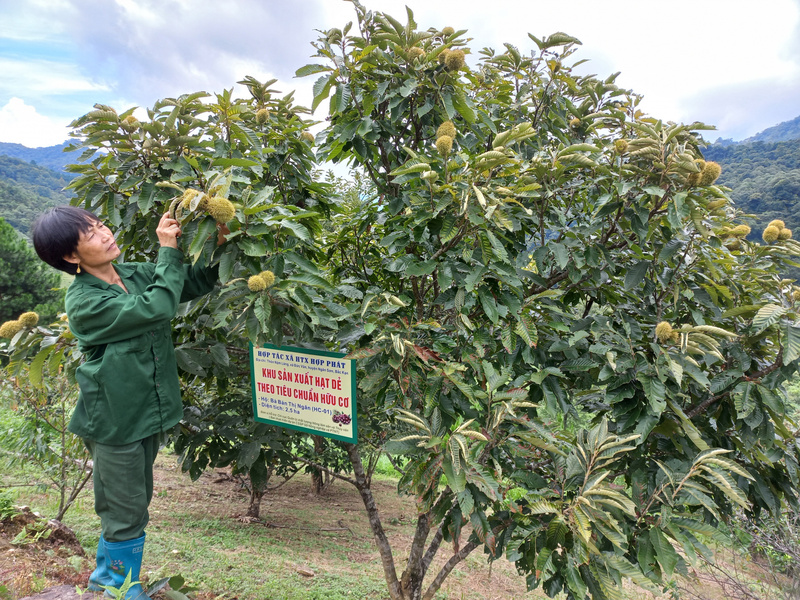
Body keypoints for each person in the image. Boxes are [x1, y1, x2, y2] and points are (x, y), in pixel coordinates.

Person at [32, 206, 224, 599]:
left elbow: (193, 281)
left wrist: (219, 243)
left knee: (134, 504)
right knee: (124, 511)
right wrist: (167, 249)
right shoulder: (85, 302)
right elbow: (159, 306)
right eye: (92, 234)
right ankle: (114, 587)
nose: (105, 234)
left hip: (148, 413)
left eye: (101, 225)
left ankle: (115, 580)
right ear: (71, 256)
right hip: (115, 421)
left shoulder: (133, 273)